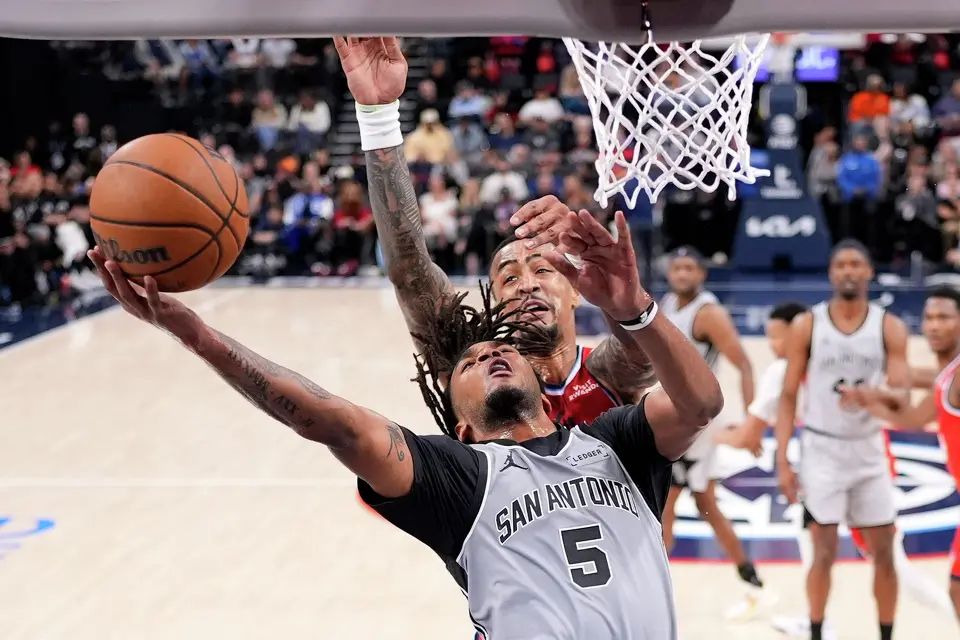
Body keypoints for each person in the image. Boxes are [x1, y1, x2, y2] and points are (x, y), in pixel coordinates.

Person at [84, 202, 724, 639]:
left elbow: (693, 396)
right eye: (471, 360)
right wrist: (196, 335)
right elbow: (335, 418)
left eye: (542, 266)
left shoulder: (610, 428)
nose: (490, 352)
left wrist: (629, 300)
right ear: (458, 421)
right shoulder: (462, 474)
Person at [336, 36, 656, 425]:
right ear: (493, 305)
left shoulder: (607, 373)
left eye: (542, 270)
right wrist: (378, 116)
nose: (527, 285)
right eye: (508, 278)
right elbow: (409, 271)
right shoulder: (474, 375)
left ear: (576, 290)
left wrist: (612, 281)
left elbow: (645, 353)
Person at [720, 299, 954, 638]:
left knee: (887, 561)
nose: (774, 345)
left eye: (779, 337)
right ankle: (816, 618)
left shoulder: (785, 369)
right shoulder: (805, 362)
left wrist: (708, 436)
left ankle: (951, 609)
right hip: (825, 460)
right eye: (769, 338)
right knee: (814, 546)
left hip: (862, 460)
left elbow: (748, 434)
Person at [775, 239, 909, 640]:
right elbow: (787, 395)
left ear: (869, 272)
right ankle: (816, 630)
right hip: (822, 450)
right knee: (824, 553)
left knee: (884, 553)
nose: (849, 271)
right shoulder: (808, 325)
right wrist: (782, 459)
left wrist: (875, 396)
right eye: (841, 265)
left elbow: (902, 398)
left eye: (856, 264)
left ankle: (887, 634)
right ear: (831, 273)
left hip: (867, 448)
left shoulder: (889, 325)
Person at [657, 246, 771, 619]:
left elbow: (745, 365)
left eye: (691, 267)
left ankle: (655, 589)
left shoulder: (709, 314)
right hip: (673, 419)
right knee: (705, 505)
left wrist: (754, 421)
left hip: (693, 427)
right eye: (678, 267)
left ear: (702, 274)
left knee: (664, 507)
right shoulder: (668, 301)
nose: (683, 273)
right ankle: (749, 575)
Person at [842, 286, 960, 625]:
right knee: (957, 590)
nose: (935, 325)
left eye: (945, 317)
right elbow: (914, 419)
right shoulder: (946, 375)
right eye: (930, 318)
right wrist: (870, 396)